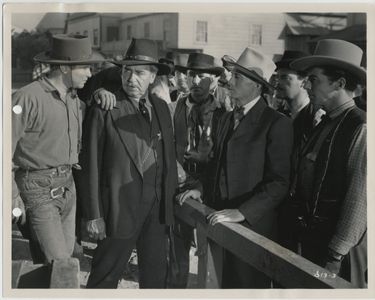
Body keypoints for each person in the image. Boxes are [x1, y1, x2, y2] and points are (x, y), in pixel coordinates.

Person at [178, 47, 293, 288]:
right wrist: (201, 187)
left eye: (238, 77)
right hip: (220, 222)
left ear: (257, 86)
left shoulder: (276, 123)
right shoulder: (226, 118)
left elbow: (279, 183)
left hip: (254, 229)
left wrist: (243, 212)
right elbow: (215, 165)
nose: (229, 81)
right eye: (232, 76)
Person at [76, 38, 178, 288]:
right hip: (117, 212)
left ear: (153, 77)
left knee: (155, 280)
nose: (131, 79)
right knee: (104, 280)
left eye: (139, 73)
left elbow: (167, 158)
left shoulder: (163, 108)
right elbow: (90, 165)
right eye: (127, 71)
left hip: (156, 213)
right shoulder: (105, 107)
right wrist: (93, 215)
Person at [12, 34, 104, 264]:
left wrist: (101, 94)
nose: (90, 74)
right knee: (60, 265)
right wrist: (12, 197)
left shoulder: (73, 99)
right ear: (64, 67)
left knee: (62, 263)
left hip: (67, 186)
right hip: (38, 189)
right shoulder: (26, 98)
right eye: (85, 68)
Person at [289, 39, 367, 287]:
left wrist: (336, 253)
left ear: (340, 83)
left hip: (339, 254)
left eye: (314, 80)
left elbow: (360, 197)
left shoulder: (360, 126)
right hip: (314, 243)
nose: (306, 85)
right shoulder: (326, 121)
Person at [168, 52, 225, 288]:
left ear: (212, 80)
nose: (195, 82)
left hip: (210, 186)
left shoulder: (223, 113)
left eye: (202, 76)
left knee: (209, 251)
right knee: (177, 248)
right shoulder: (174, 108)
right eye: (191, 75)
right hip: (179, 182)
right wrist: (178, 171)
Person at [275, 50, 325, 252]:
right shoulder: (279, 116)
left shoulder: (318, 119)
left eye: (286, 78)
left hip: (307, 216)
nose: (278, 82)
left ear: (304, 82)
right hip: (282, 209)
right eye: (277, 77)